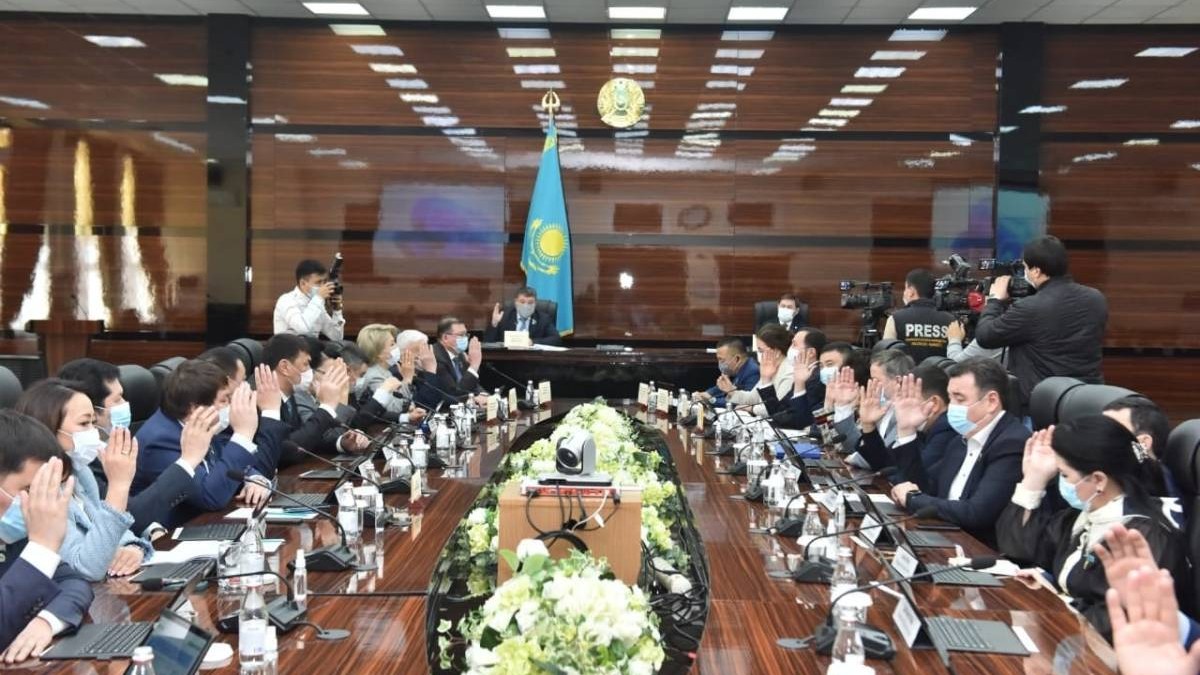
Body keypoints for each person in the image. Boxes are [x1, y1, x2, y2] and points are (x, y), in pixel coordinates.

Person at [997, 415, 1188, 639]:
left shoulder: (1141, 536)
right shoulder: (1082, 516)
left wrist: (1059, 601)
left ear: (1098, 480)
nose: (1061, 481)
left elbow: (1118, 621)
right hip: (1071, 640)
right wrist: (1034, 479)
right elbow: (1018, 551)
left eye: (1064, 474)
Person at [10, 380, 150, 581]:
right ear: (49, 429)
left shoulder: (79, 472)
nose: (94, 431)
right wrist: (118, 486)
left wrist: (134, 548)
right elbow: (86, 567)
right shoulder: (37, 490)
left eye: (93, 422)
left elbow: (109, 530)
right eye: (84, 423)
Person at [885, 357, 1029, 545]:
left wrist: (913, 499)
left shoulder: (1012, 444)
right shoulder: (960, 440)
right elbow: (924, 488)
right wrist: (907, 431)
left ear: (992, 401)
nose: (951, 407)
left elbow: (977, 513)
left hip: (982, 550)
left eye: (959, 399)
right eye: (950, 397)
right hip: (945, 537)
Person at [56, 359, 199, 537]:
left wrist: (152, 529)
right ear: (91, 408)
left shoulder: (116, 441)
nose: (125, 404)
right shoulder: (80, 458)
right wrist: (188, 462)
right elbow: (123, 516)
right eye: (117, 400)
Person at [133, 360, 285, 527]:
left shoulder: (195, 423)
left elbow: (224, 462)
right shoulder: (160, 441)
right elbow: (211, 496)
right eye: (224, 400)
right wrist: (243, 435)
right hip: (172, 535)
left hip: (207, 525)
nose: (230, 405)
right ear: (195, 408)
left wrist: (255, 479)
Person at [974, 235, 1108, 413]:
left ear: (1036, 271)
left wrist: (994, 301)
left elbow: (985, 336)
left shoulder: (1031, 307)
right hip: (1087, 401)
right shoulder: (1096, 298)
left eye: (1025, 268)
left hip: (1044, 405)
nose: (1025, 274)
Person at [0, 414, 93, 662]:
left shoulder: (12, 537)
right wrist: (42, 547)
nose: (40, 503)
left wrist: (46, 621)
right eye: (29, 490)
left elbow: (73, 582)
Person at [262, 334, 360, 465]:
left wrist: (341, 443)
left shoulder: (289, 398)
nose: (310, 372)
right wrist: (327, 407)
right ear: (284, 367)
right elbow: (288, 449)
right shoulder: (262, 400)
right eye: (305, 364)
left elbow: (306, 439)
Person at [854, 365, 953, 478]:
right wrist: (868, 425)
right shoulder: (923, 428)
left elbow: (910, 478)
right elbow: (884, 464)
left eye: (906, 400)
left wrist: (906, 431)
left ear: (934, 403)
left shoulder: (946, 430)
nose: (898, 406)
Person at [830, 348, 915, 456]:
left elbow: (881, 457)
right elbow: (855, 445)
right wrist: (843, 406)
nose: (871, 385)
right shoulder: (879, 405)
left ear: (898, 381)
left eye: (876, 380)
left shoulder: (909, 413)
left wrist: (855, 459)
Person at [356, 324, 433, 423]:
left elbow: (402, 402)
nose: (397, 347)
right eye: (392, 344)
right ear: (379, 353)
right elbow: (394, 409)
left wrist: (410, 408)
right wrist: (407, 379)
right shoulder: (374, 376)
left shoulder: (385, 371)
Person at [882, 269, 955, 363]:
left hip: (907, 372)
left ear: (911, 291)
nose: (904, 293)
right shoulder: (951, 321)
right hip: (941, 372)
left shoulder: (895, 319)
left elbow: (887, 358)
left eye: (905, 288)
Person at [758, 329, 826, 427]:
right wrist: (766, 379)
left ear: (811, 352)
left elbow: (797, 420)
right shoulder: (804, 373)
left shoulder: (817, 378)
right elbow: (779, 411)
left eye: (794, 344)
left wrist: (799, 383)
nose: (790, 349)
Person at [728, 324, 793, 418]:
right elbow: (753, 398)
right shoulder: (768, 368)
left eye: (761, 351)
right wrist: (731, 390)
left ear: (777, 351)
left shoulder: (790, 373)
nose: (758, 354)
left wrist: (752, 409)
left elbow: (776, 409)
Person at [272, 259, 345, 341]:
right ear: (303, 283)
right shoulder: (286, 300)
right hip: (288, 347)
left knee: (345, 347)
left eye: (324, 282)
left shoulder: (318, 304)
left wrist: (337, 311)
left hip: (311, 348)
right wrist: (319, 298)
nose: (323, 286)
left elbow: (336, 337)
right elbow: (302, 328)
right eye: (318, 282)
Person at [431, 317, 487, 405]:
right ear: (445, 337)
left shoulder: (460, 355)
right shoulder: (436, 358)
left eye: (466, 335)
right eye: (461, 335)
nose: (465, 338)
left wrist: (485, 396)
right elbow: (455, 393)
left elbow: (473, 385)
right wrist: (474, 366)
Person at [694, 337, 760, 409]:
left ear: (737, 359)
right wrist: (707, 393)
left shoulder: (753, 372)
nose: (720, 363)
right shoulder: (737, 368)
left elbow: (743, 402)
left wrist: (712, 400)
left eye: (721, 359)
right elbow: (723, 387)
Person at [484, 287, 562, 346]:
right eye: (522, 302)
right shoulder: (504, 316)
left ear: (535, 303)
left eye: (530, 302)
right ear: (515, 302)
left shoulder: (543, 319)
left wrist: (532, 342)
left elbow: (556, 339)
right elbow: (487, 342)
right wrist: (494, 324)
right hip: (508, 358)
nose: (526, 305)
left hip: (533, 359)